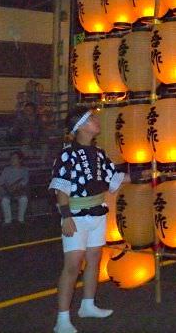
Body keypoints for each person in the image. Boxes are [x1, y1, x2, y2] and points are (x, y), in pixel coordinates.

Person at [49, 107, 127, 333]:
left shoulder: (100, 153)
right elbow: (61, 187)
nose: (96, 121)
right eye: (91, 118)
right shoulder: (67, 154)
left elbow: (113, 179)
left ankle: (88, 305)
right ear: (81, 126)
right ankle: (62, 319)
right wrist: (65, 216)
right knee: (72, 266)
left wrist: (148, 175)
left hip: (98, 212)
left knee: (94, 260)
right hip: (76, 215)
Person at [0, 150, 29, 224]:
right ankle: (8, 221)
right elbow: (1, 182)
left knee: (24, 199)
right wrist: (7, 189)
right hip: (7, 192)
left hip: (19, 192)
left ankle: (21, 219)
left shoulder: (25, 170)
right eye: (11, 158)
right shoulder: (6, 170)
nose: (12, 160)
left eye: (14, 158)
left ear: (20, 160)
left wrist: (16, 188)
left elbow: (24, 182)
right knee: (5, 200)